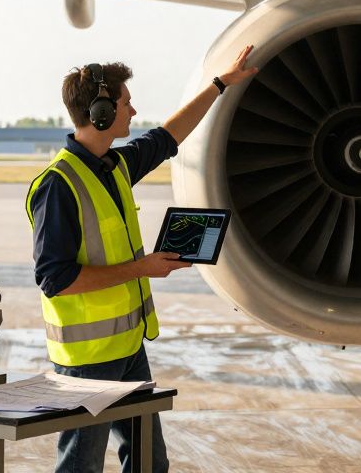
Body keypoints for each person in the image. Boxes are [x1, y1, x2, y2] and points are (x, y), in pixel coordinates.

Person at [26, 46, 257, 473]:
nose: (134, 111)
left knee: (150, 461)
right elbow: (54, 279)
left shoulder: (113, 167)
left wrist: (221, 84)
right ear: (100, 112)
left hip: (129, 346)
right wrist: (142, 268)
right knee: (81, 467)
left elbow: (167, 137)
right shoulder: (58, 186)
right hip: (87, 360)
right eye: (126, 103)